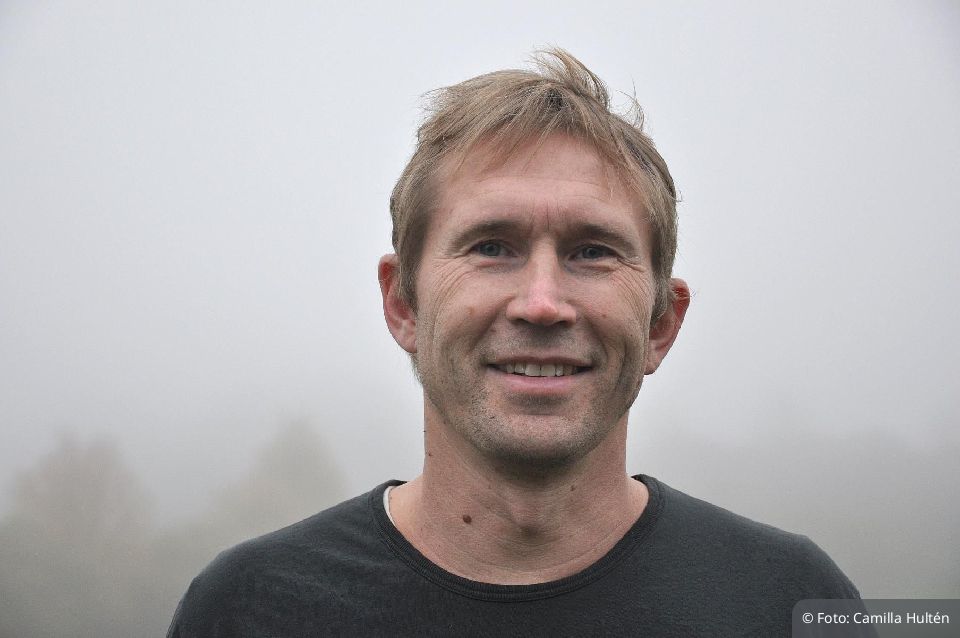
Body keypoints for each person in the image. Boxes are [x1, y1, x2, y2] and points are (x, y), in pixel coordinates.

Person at [167, 49, 864, 637]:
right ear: (403, 303)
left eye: (592, 251)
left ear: (661, 323)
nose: (541, 303)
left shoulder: (792, 601)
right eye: (492, 246)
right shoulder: (250, 608)